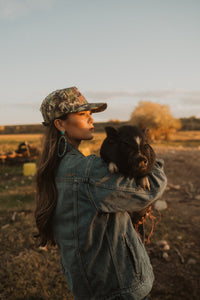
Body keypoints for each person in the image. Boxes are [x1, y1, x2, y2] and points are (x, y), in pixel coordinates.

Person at [35, 86, 167, 300]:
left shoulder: (56, 165)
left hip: (88, 283)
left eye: (91, 115)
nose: (91, 120)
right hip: (117, 286)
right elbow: (154, 185)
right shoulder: (86, 171)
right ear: (60, 124)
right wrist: (144, 150)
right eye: (82, 115)